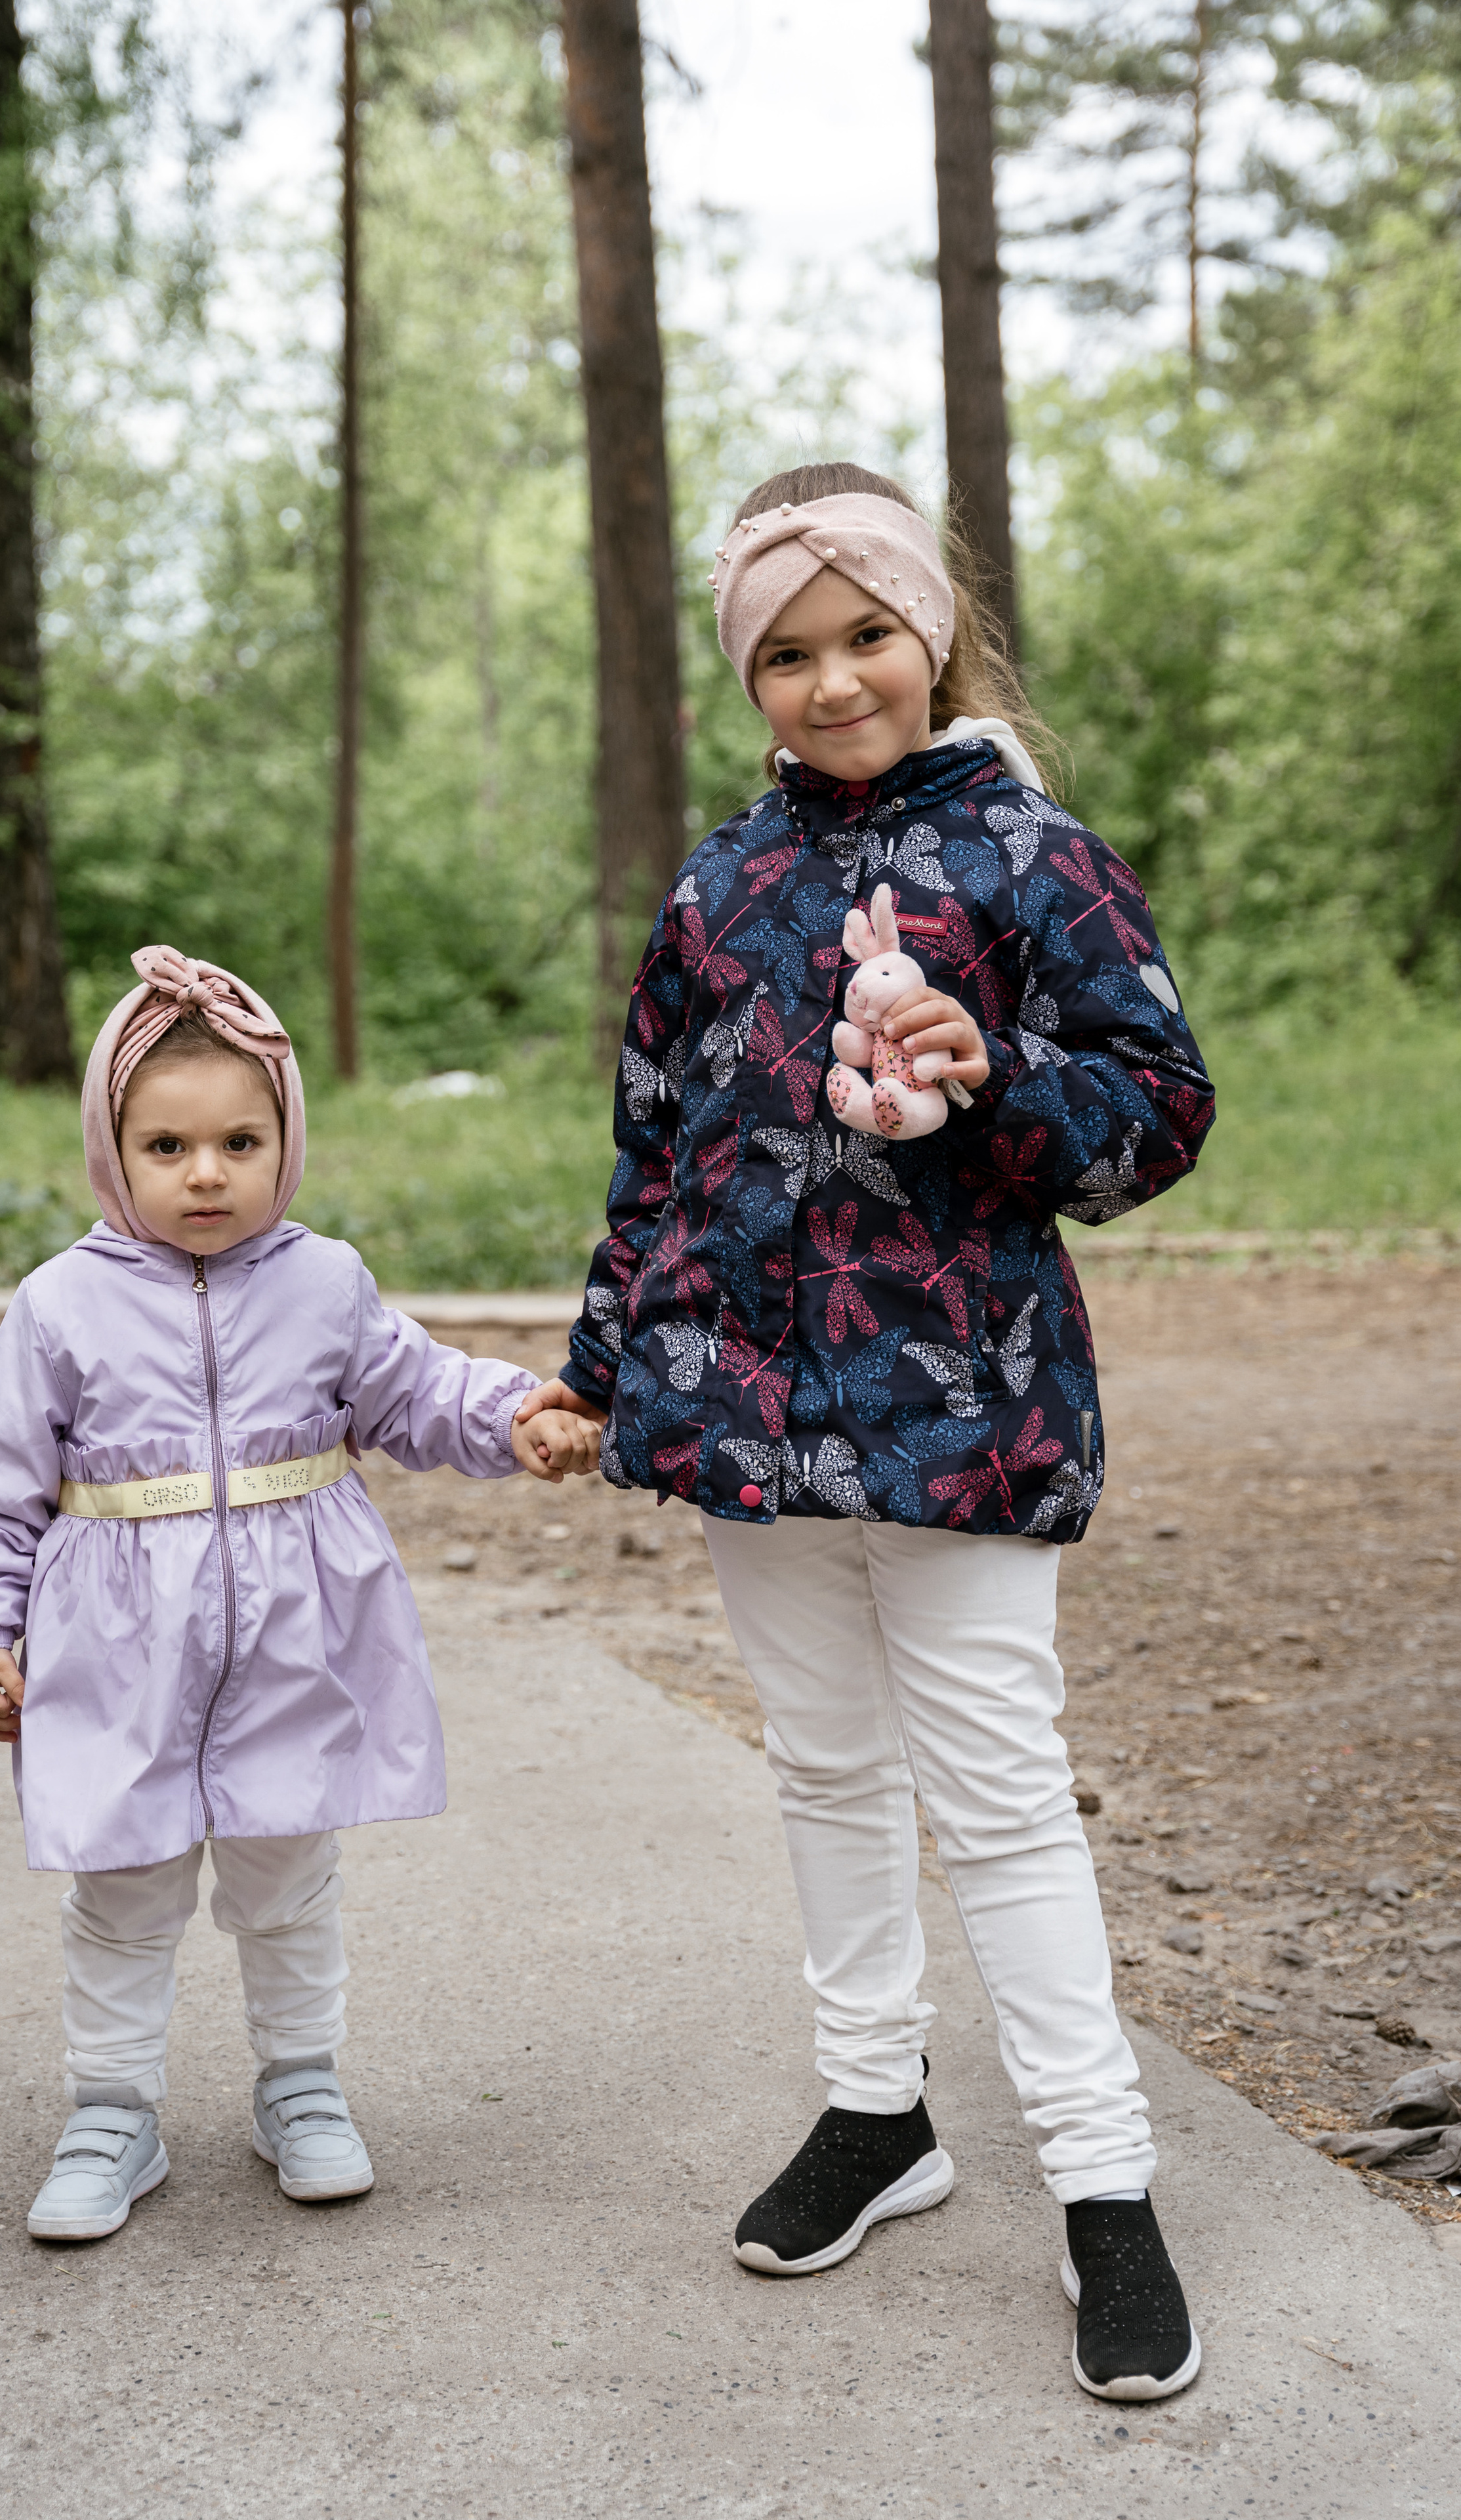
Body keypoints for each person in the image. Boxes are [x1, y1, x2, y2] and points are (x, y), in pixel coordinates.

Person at [536, 463, 1215, 2402]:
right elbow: (655, 1148)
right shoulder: (717, 887)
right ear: (747, 674)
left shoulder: (1034, 859)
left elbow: (1157, 1113)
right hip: (748, 1412)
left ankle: (1105, 2187)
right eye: (786, 653)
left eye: (865, 638)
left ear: (934, 637)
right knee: (827, 1771)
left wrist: (1001, 1079)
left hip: (967, 1419)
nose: (833, 682)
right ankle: (878, 2112)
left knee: (997, 1790)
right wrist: (603, 1371)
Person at [0, 946, 600, 2242]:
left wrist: (517, 1412)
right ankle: (110, 2114)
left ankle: (299, 2085)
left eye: (240, 1141)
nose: (205, 1173)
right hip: (116, 1647)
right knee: (121, 1886)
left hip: (294, 1637)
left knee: (288, 1874)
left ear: (283, 1143)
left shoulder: (324, 1279)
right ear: (111, 1147)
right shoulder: (59, 1305)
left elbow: (410, 1396)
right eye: (168, 1144)